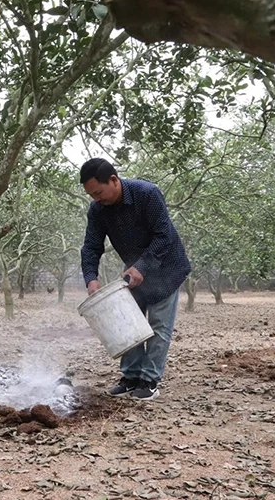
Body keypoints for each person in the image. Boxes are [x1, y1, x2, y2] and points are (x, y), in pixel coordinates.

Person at [79, 158, 191, 401]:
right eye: (91, 195)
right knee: (126, 321)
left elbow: (164, 236)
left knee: (159, 325)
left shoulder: (147, 194)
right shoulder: (98, 210)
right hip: (134, 271)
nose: (96, 199)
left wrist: (142, 267)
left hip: (166, 267)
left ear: (114, 180)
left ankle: (149, 380)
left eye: (98, 192)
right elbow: (91, 247)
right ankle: (130, 377)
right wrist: (91, 279)